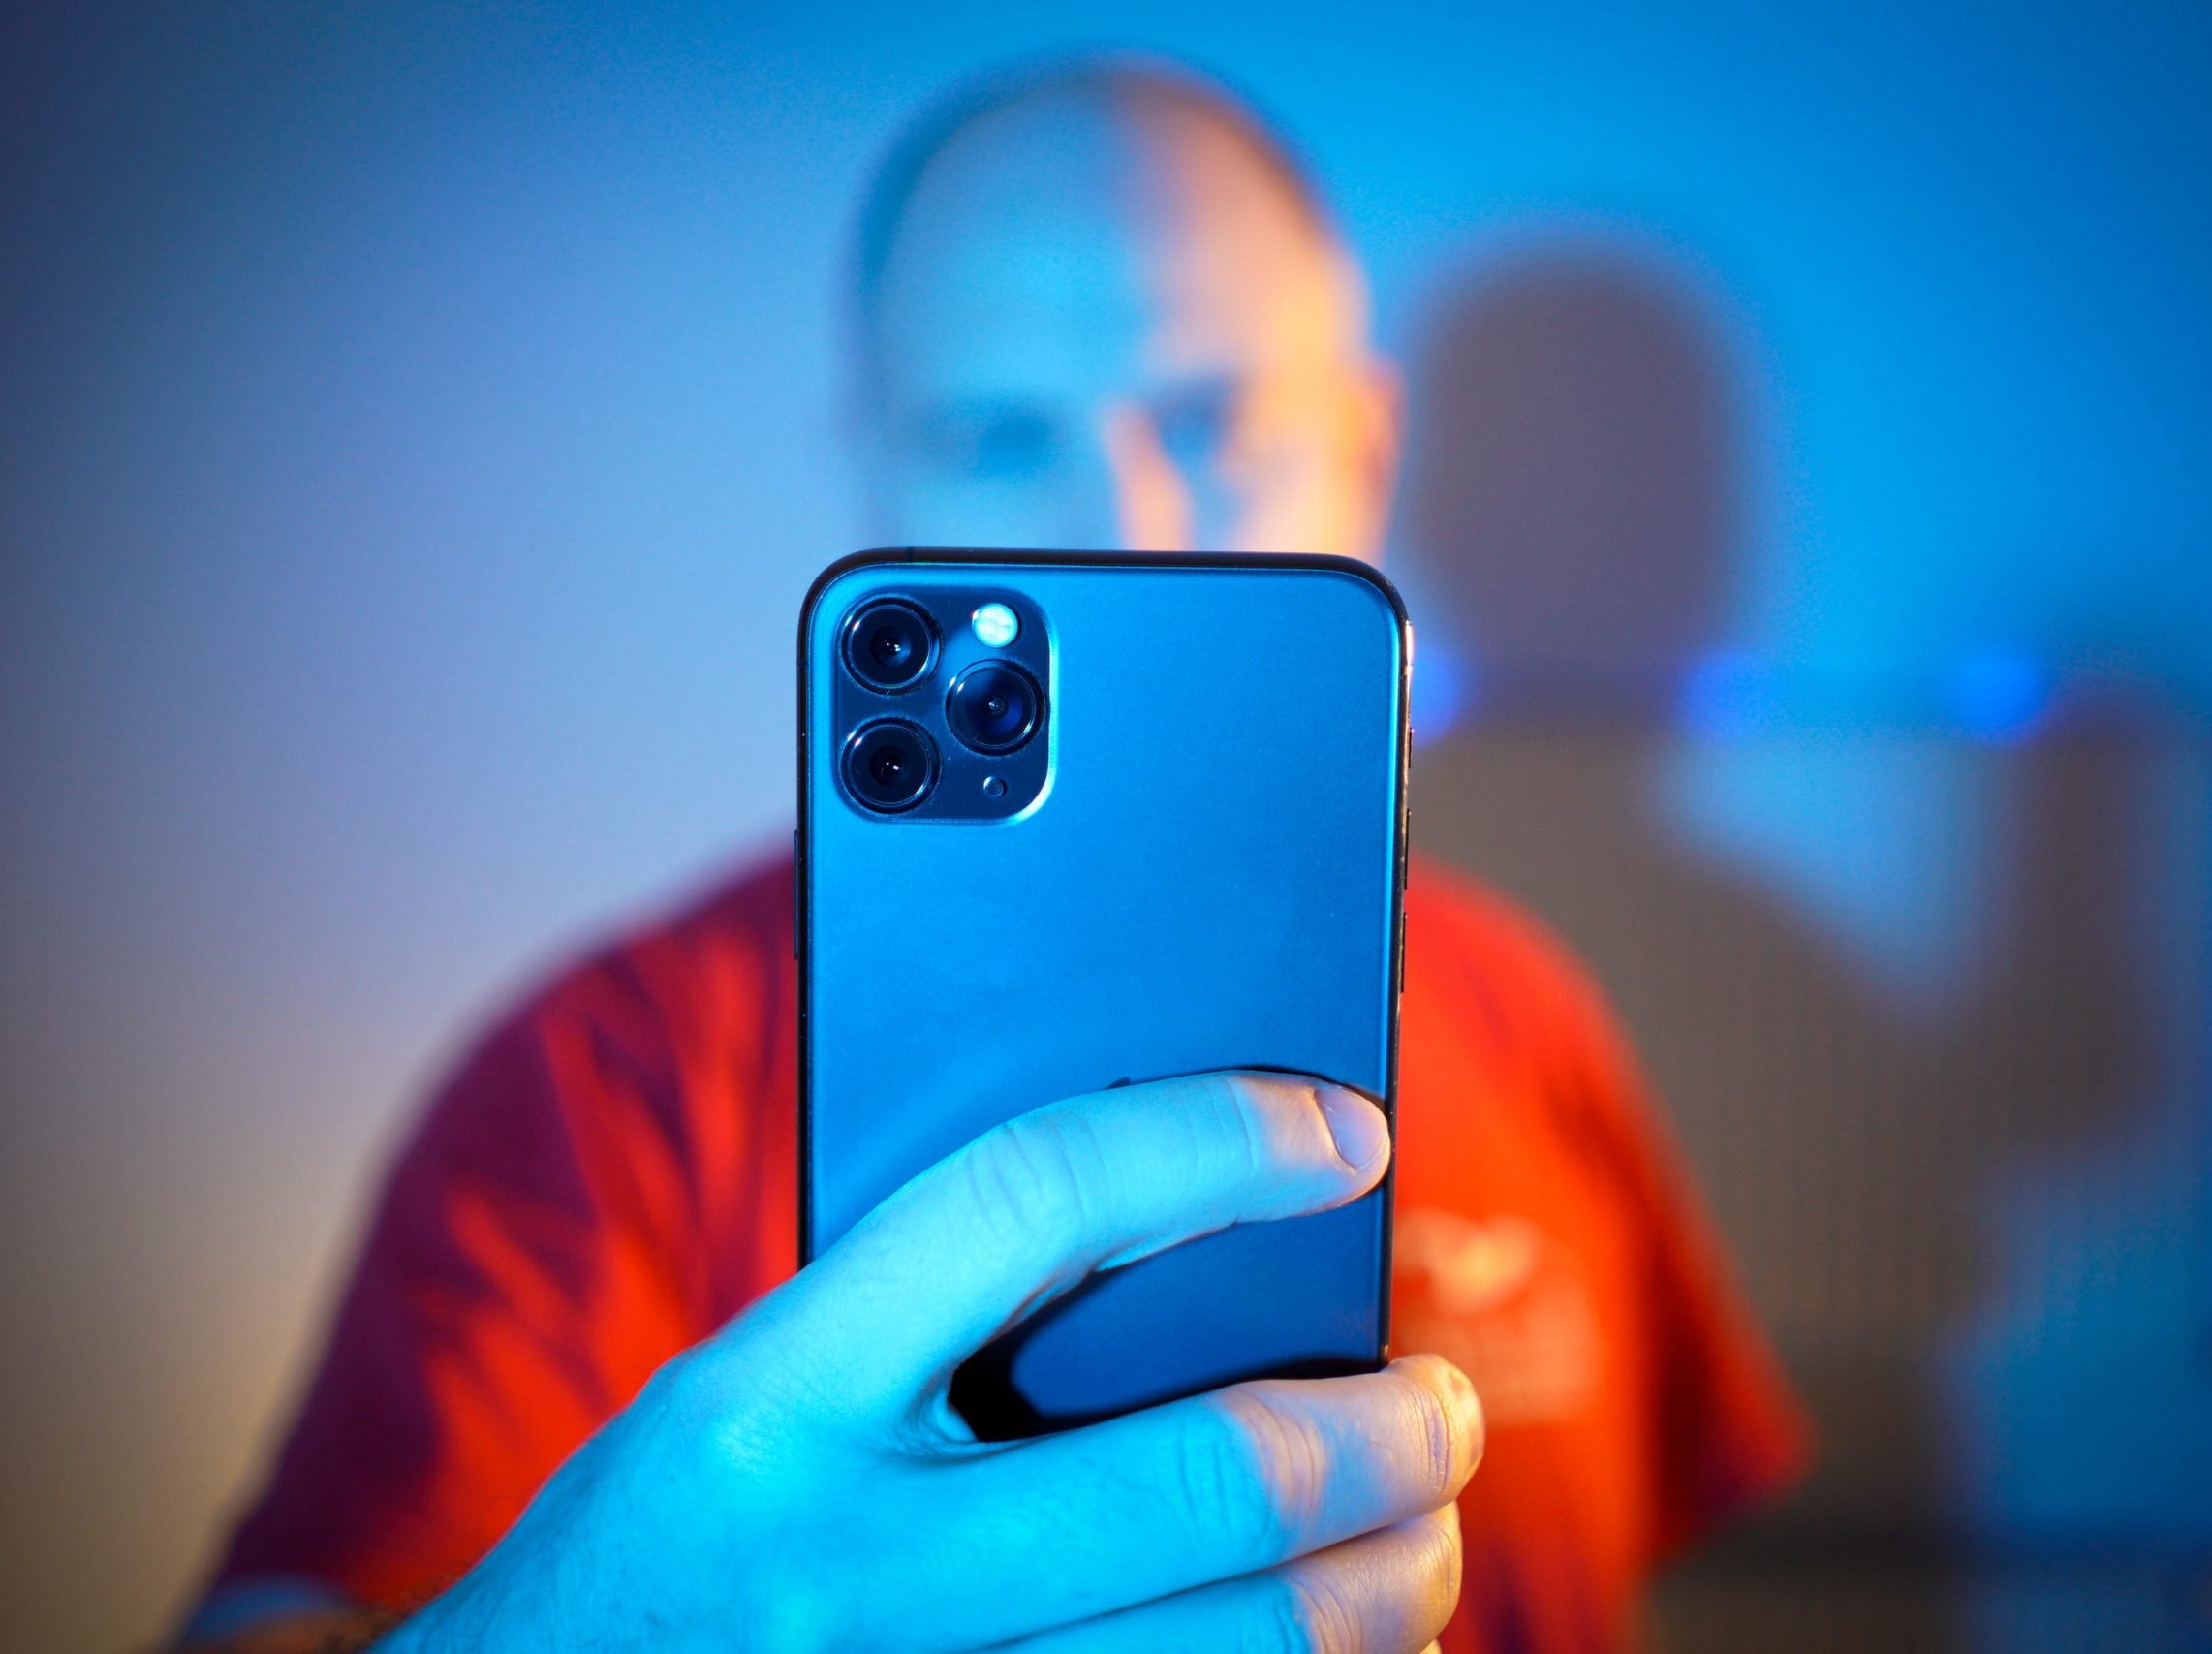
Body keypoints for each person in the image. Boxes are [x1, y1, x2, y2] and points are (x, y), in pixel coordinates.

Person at [177, 57, 1807, 1654]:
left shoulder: (1530, 1007)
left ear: (1367, 455)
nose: (1126, 523)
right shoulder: (606, 1083)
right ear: (874, 476)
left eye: (1216, 417)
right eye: (998, 437)